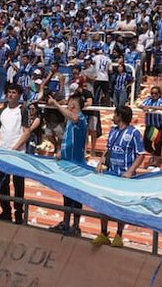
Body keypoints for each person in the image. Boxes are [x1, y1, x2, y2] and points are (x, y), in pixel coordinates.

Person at [93, 105, 144, 247]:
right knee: (104, 203)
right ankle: (103, 233)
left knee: (120, 205)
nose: (113, 117)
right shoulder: (113, 131)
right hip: (110, 174)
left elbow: (141, 154)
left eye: (115, 115)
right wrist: (100, 163)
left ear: (120, 116)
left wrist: (129, 171)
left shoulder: (134, 133)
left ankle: (119, 235)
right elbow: (108, 150)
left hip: (124, 176)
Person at [46, 93, 87, 236]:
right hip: (66, 162)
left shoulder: (80, 118)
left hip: (76, 164)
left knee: (76, 196)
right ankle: (65, 222)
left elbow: (74, 117)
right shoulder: (69, 122)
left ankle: (75, 226)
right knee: (66, 194)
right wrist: (60, 152)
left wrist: (56, 104)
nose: (67, 105)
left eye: (69, 102)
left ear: (73, 104)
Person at [0, 83, 30, 224]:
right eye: (9, 92)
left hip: (17, 154)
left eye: (14, 92)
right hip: (2, 153)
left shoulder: (22, 110)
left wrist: (15, 148)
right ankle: (6, 211)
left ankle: (19, 213)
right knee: (3, 184)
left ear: (18, 95)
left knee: (18, 185)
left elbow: (26, 132)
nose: (11, 95)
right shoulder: (1, 111)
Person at [140, 86, 162, 169]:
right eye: (152, 93)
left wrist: (150, 107)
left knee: (157, 144)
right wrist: (143, 107)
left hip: (160, 126)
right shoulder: (148, 100)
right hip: (150, 126)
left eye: (155, 93)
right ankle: (154, 154)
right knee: (146, 144)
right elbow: (140, 105)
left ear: (159, 94)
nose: (153, 95)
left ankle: (156, 161)